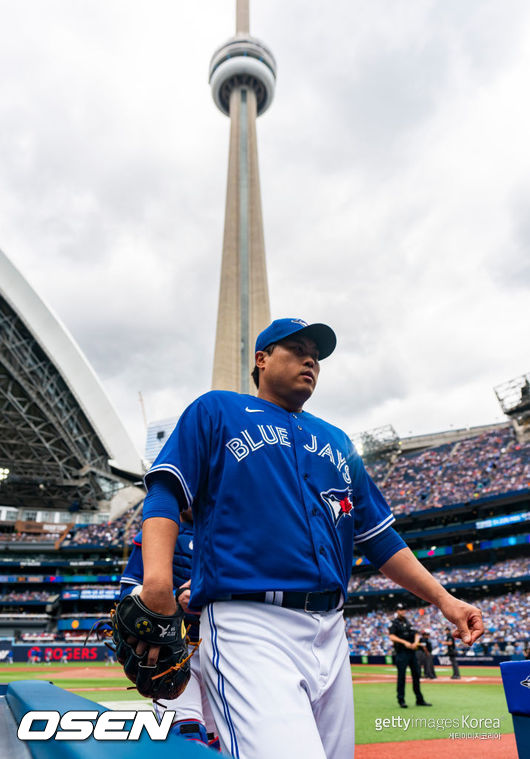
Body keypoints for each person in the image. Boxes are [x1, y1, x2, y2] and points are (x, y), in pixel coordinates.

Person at [131, 317, 484, 759]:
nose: (310, 359)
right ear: (261, 359)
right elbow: (166, 490)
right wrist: (158, 585)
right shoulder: (217, 410)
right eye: (297, 348)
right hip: (250, 625)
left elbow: (381, 539)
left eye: (316, 354)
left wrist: (446, 601)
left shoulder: (336, 440)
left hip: (332, 630)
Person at [119, 510, 219, 749]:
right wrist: (169, 601)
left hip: (227, 647)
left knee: (224, 740)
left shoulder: (234, 529)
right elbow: (127, 593)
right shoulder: (155, 533)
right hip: (174, 652)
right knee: (188, 735)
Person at [388, 604, 431, 707]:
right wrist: (405, 642)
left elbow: (416, 633)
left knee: (416, 675)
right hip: (401, 652)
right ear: (397, 611)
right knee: (401, 677)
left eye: (404, 610)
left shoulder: (408, 622)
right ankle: (401, 700)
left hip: (412, 652)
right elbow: (392, 637)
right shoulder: (394, 623)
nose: (403, 611)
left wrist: (416, 642)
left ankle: (419, 699)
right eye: (400, 610)